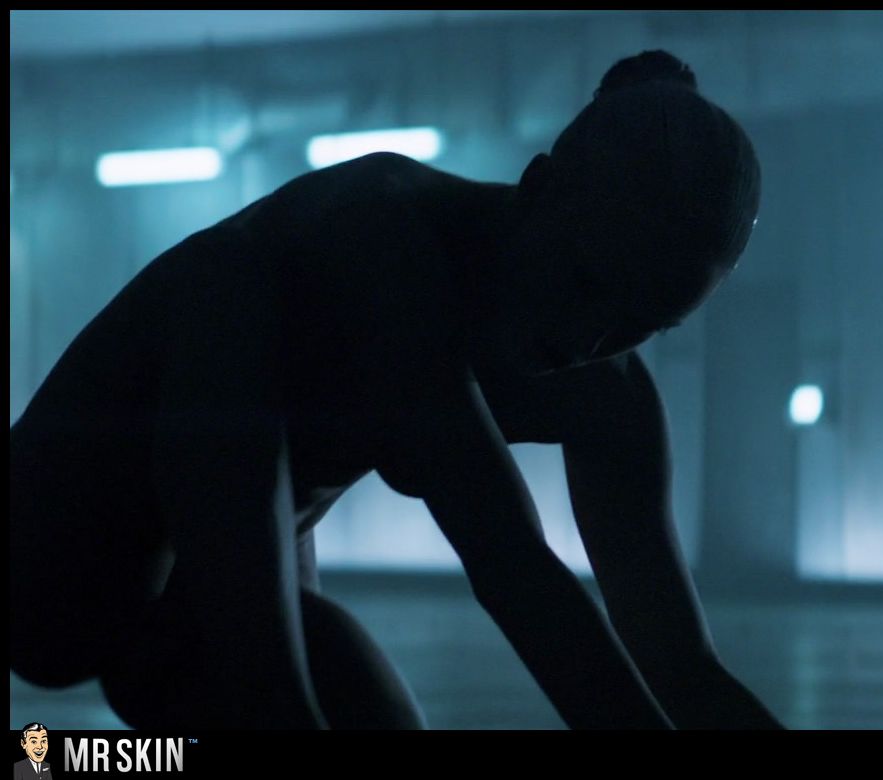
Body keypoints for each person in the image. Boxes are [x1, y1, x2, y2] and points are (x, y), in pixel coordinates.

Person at [9, 49, 782, 730]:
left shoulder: (609, 393)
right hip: (41, 558)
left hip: (190, 616)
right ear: (536, 189)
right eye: (583, 281)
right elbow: (507, 559)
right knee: (225, 290)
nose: (589, 339)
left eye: (642, 325)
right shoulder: (380, 237)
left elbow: (682, 669)